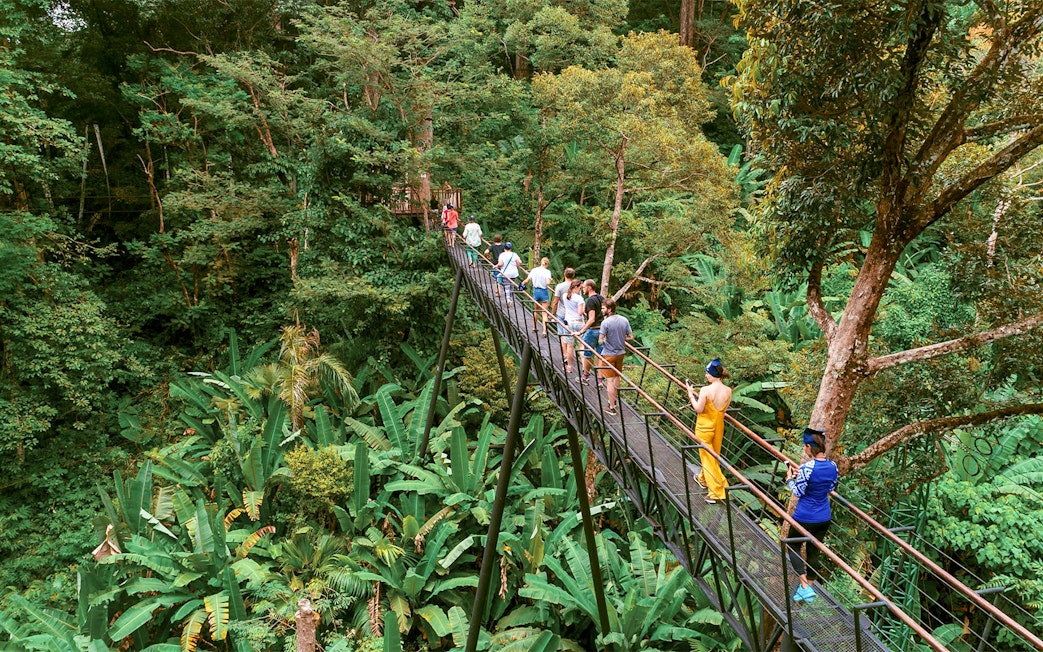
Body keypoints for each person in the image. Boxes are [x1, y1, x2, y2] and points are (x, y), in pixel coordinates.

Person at [785, 427, 839, 604]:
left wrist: (790, 479)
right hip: (823, 517)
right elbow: (831, 488)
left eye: (804, 447)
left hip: (805, 517)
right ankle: (807, 587)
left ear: (809, 447)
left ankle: (805, 587)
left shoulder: (807, 468)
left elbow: (798, 492)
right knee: (813, 551)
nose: (804, 450)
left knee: (792, 546)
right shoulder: (833, 466)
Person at [686, 358, 732, 504]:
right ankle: (703, 479)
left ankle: (717, 492)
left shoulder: (705, 390)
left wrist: (690, 395)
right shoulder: (728, 391)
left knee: (707, 459)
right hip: (718, 426)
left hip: (704, 428)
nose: (706, 376)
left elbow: (698, 409)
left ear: (712, 374)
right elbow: (723, 411)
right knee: (713, 457)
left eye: (707, 373)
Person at [598, 297, 633, 416]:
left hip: (608, 354)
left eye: (603, 308)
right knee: (617, 376)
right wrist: (621, 339)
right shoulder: (624, 319)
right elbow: (630, 337)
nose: (602, 310)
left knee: (610, 380)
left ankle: (611, 407)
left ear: (609, 309)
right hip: (620, 353)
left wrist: (606, 340)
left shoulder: (605, 323)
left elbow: (600, 341)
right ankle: (615, 400)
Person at [577, 279, 604, 384]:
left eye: (584, 287)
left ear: (589, 287)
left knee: (587, 354)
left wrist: (581, 331)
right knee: (600, 355)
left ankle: (585, 376)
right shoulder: (601, 298)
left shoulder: (590, 301)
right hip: (602, 331)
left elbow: (591, 319)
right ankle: (600, 380)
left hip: (593, 330)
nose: (583, 288)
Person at [550, 267, 577, 367]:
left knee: (562, 334)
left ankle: (565, 354)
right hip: (573, 314)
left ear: (564, 275)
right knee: (571, 335)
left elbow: (555, 301)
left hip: (562, 313)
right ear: (573, 276)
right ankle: (570, 355)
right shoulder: (576, 287)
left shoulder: (560, 287)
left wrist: (552, 314)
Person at [522, 257, 553, 333]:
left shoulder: (534, 270)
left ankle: (534, 327)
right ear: (547, 264)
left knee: (536, 310)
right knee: (544, 313)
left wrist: (521, 284)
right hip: (544, 292)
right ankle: (544, 331)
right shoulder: (547, 272)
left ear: (541, 262)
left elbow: (527, 280)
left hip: (536, 291)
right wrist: (551, 280)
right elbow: (548, 283)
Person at [561, 279, 586, 373]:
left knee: (569, 345)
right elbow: (580, 312)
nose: (580, 290)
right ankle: (584, 366)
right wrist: (584, 308)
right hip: (579, 322)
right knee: (581, 345)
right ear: (576, 287)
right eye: (580, 288)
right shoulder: (579, 298)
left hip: (568, 322)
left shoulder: (565, 296)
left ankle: (570, 366)